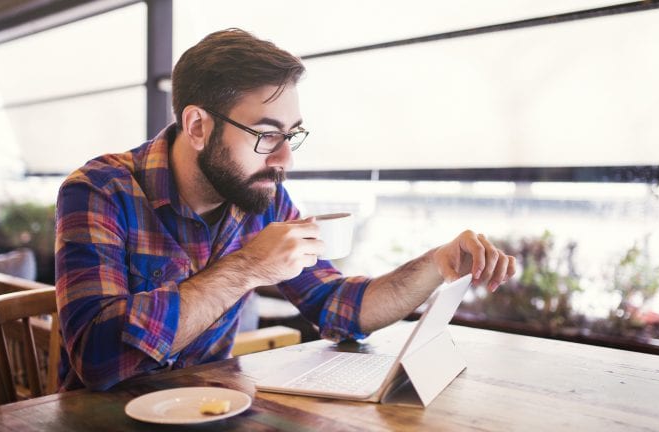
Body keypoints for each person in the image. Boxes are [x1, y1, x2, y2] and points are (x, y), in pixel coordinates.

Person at [54, 28, 516, 391]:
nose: (285, 160)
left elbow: (339, 308)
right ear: (197, 125)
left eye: (290, 135)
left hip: (213, 410)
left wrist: (437, 264)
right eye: (266, 134)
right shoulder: (99, 191)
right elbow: (98, 361)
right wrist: (247, 268)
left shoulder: (261, 198)